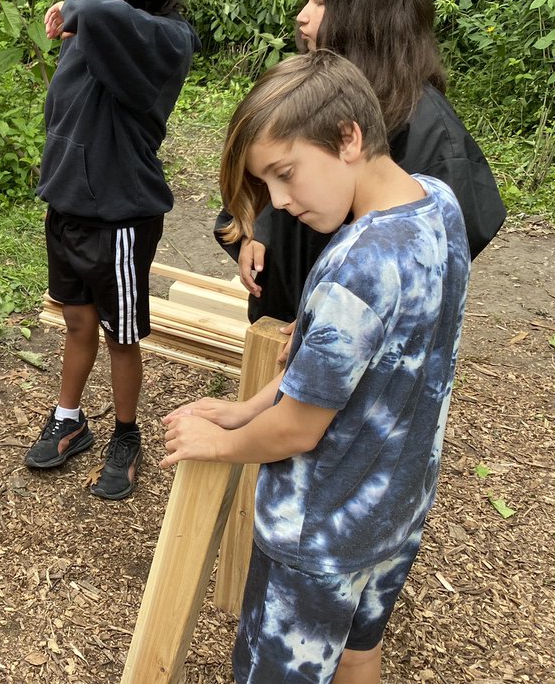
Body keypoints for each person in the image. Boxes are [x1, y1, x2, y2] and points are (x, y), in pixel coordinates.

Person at [163, 51, 470, 684]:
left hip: (318, 533)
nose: (279, 201)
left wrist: (223, 441)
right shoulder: (438, 205)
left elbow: (299, 430)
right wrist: (249, 406)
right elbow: (346, 371)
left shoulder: (354, 268)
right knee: (359, 653)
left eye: (285, 174)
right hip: (397, 506)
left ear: (348, 137)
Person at [217, 0, 505, 323]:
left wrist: (346, 305)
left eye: (319, 2)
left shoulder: (430, 133)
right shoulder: (309, 97)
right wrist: (257, 230)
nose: (302, 15)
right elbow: (272, 181)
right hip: (286, 324)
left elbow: (439, 252)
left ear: (365, 17)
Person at [24, 0, 200, 499]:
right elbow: (96, 13)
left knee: (120, 334)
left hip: (121, 218)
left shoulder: (166, 40)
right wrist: (78, 6)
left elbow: (98, 10)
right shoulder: (100, 25)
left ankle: (127, 434)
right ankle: (70, 419)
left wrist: (75, 6)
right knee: (76, 321)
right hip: (69, 207)